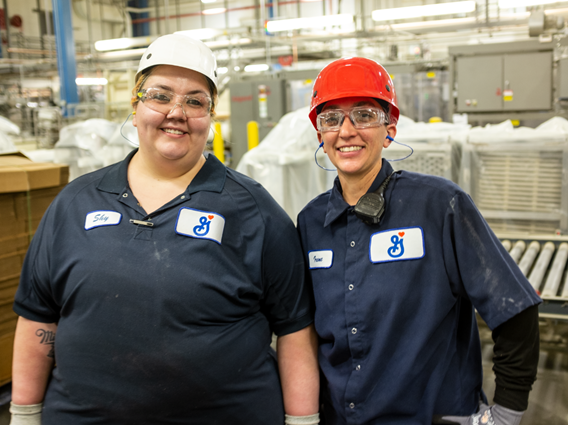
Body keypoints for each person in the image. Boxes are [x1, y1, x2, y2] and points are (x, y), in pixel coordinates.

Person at [10, 34, 319, 425]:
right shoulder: (75, 203)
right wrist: (23, 416)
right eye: (160, 95)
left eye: (195, 101)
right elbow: (38, 318)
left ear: (210, 115)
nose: (177, 112)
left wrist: (303, 423)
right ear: (135, 104)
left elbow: (294, 328)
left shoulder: (253, 210)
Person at [296, 57, 541, 425]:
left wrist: (504, 416)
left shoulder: (439, 206)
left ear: (390, 128)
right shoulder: (311, 222)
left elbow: (515, 309)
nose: (346, 131)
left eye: (364, 115)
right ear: (320, 134)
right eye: (331, 118)